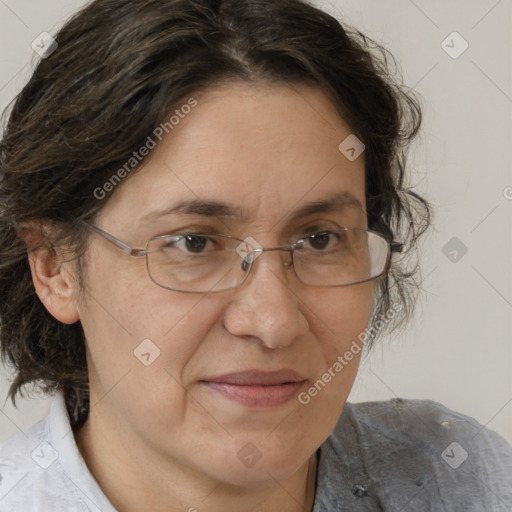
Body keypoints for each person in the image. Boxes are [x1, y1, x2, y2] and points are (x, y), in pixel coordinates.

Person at [0, 0, 510, 510]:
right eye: (193, 243)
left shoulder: (464, 480)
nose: (273, 321)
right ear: (54, 267)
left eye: (320, 239)